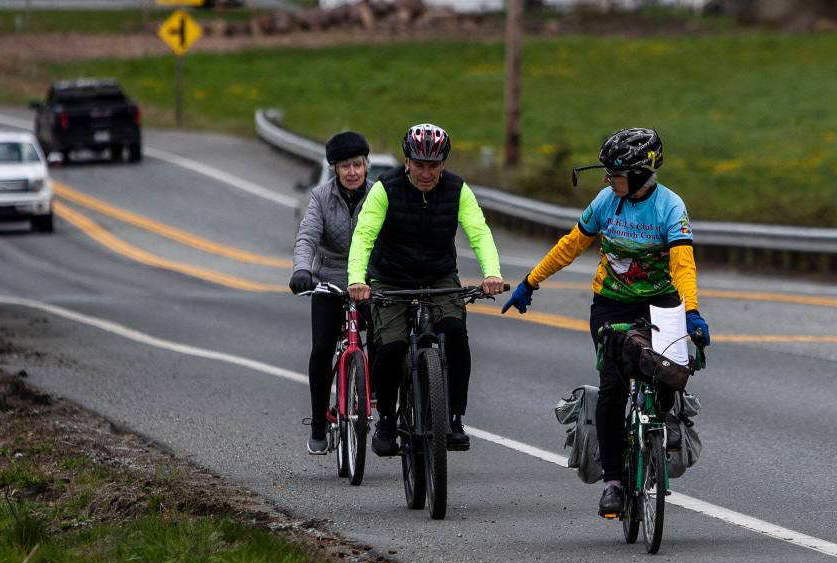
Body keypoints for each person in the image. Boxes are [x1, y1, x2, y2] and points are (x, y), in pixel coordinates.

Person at [501, 127, 710, 517]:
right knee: (613, 389)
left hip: (659, 302)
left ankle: (664, 418)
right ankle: (613, 482)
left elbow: (683, 264)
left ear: (638, 173)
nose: (606, 180)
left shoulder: (670, 207)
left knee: (667, 372)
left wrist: (691, 311)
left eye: (614, 173)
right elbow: (570, 246)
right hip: (610, 305)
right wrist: (531, 281)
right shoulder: (605, 201)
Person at [347, 123, 505, 456]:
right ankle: (387, 419)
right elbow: (363, 236)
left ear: (443, 164)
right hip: (391, 278)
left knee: (455, 331)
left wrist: (492, 274)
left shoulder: (457, 189)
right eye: (419, 164)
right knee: (390, 347)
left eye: (434, 166)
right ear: (407, 162)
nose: (426, 173)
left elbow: (479, 233)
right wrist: (357, 280)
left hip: (439, 277)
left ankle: (454, 418)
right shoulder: (385, 188)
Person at [290, 130, 375, 455]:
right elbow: (307, 236)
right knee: (323, 347)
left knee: (383, 335)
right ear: (335, 169)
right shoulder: (321, 197)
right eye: (345, 166)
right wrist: (302, 270)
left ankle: (375, 394)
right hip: (330, 281)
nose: (352, 172)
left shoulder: (378, 195)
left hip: (368, 282)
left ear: (366, 166)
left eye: (357, 165)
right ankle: (318, 424)